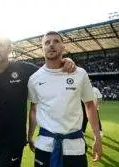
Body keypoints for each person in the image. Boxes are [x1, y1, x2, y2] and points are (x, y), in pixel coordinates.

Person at [0, 35, 76, 167]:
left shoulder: (25, 69)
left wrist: (65, 61)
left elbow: (50, 69)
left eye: (0, 45)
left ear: (9, 48)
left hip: (13, 140)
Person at [28, 31, 102, 167]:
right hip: (45, 146)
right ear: (42, 49)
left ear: (63, 46)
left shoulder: (79, 73)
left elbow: (90, 105)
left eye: (56, 41)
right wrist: (30, 136)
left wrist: (97, 137)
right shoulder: (34, 79)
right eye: (47, 42)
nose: (51, 45)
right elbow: (34, 109)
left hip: (74, 147)